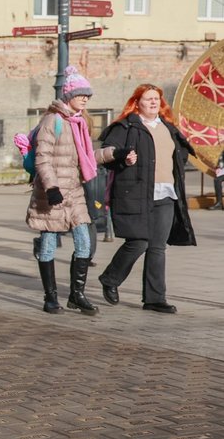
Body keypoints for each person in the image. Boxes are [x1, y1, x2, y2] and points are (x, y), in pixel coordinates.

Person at [27, 67, 130, 316]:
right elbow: (43, 158)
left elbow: (85, 157)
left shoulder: (78, 122)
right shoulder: (53, 120)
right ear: (68, 95)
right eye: (80, 94)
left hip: (74, 193)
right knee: (48, 245)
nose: (85, 99)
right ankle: (51, 297)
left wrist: (114, 153)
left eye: (87, 95)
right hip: (52, 194)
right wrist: (52, 187)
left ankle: (77, 295)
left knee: (84, 244)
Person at [98, 83, 196, 314]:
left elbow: (179, 156)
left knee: (157, 247)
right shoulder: (126, 126)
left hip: (166, 194)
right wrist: (122, 157)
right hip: (137, 194)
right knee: (138, 242)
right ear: (137, 103)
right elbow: (105, 154)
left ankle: (154, 299)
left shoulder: (167, 127)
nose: (153, 102)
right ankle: (110, 278)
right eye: (148, 98)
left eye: (156, 99)